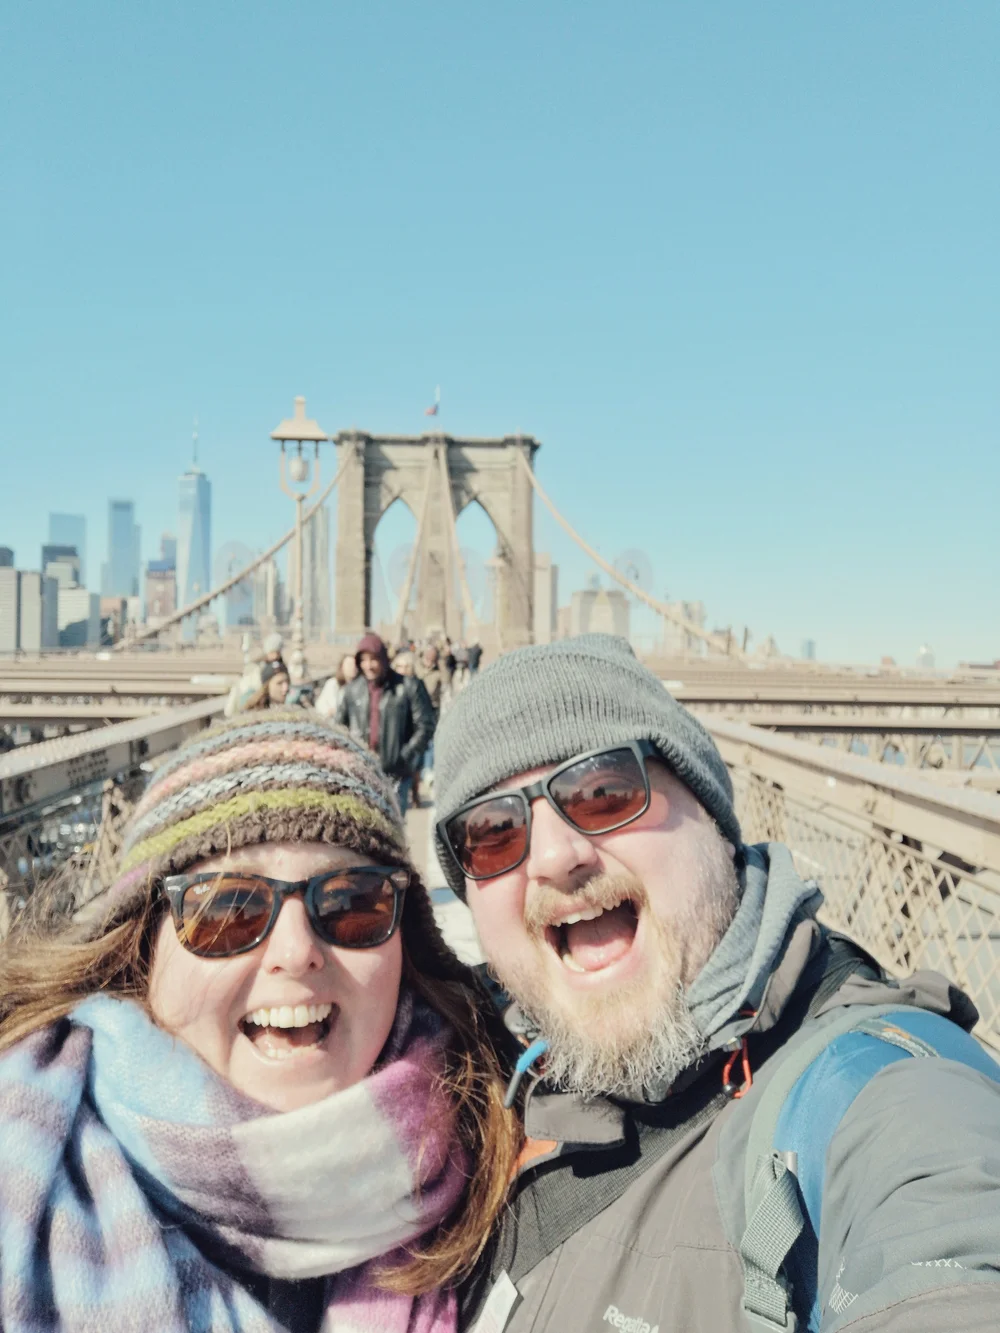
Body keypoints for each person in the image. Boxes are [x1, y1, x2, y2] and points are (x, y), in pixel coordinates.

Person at [433, 635, 1000, 1332]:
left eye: (604, 791)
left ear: (713, 818)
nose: (554, 856)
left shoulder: (878, 1095)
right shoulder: (462, 1077)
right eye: (493, 831)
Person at [0, 709, 520, 1332]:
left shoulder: (512, 1168)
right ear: (141, 948)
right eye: (228, 911)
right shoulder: (19, 1160)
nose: (296, 951)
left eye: (353, 902)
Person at [337, 632, 435, 816]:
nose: (369, 666)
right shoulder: (352, 691)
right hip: (362, 774)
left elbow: (425, 725)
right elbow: (339, 728)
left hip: (396, 774)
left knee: (394, 832)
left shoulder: (408, 686)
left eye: (373, 659)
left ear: (383, 658)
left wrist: (404, 756)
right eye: (364, 660)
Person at [315, 652, 358, 720]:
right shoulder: (333, 683)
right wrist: (329, 711)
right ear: (342, 667)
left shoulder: (359, 686)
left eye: (355, 665)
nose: (353, 667)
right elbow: (320, 704)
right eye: (349, 665)